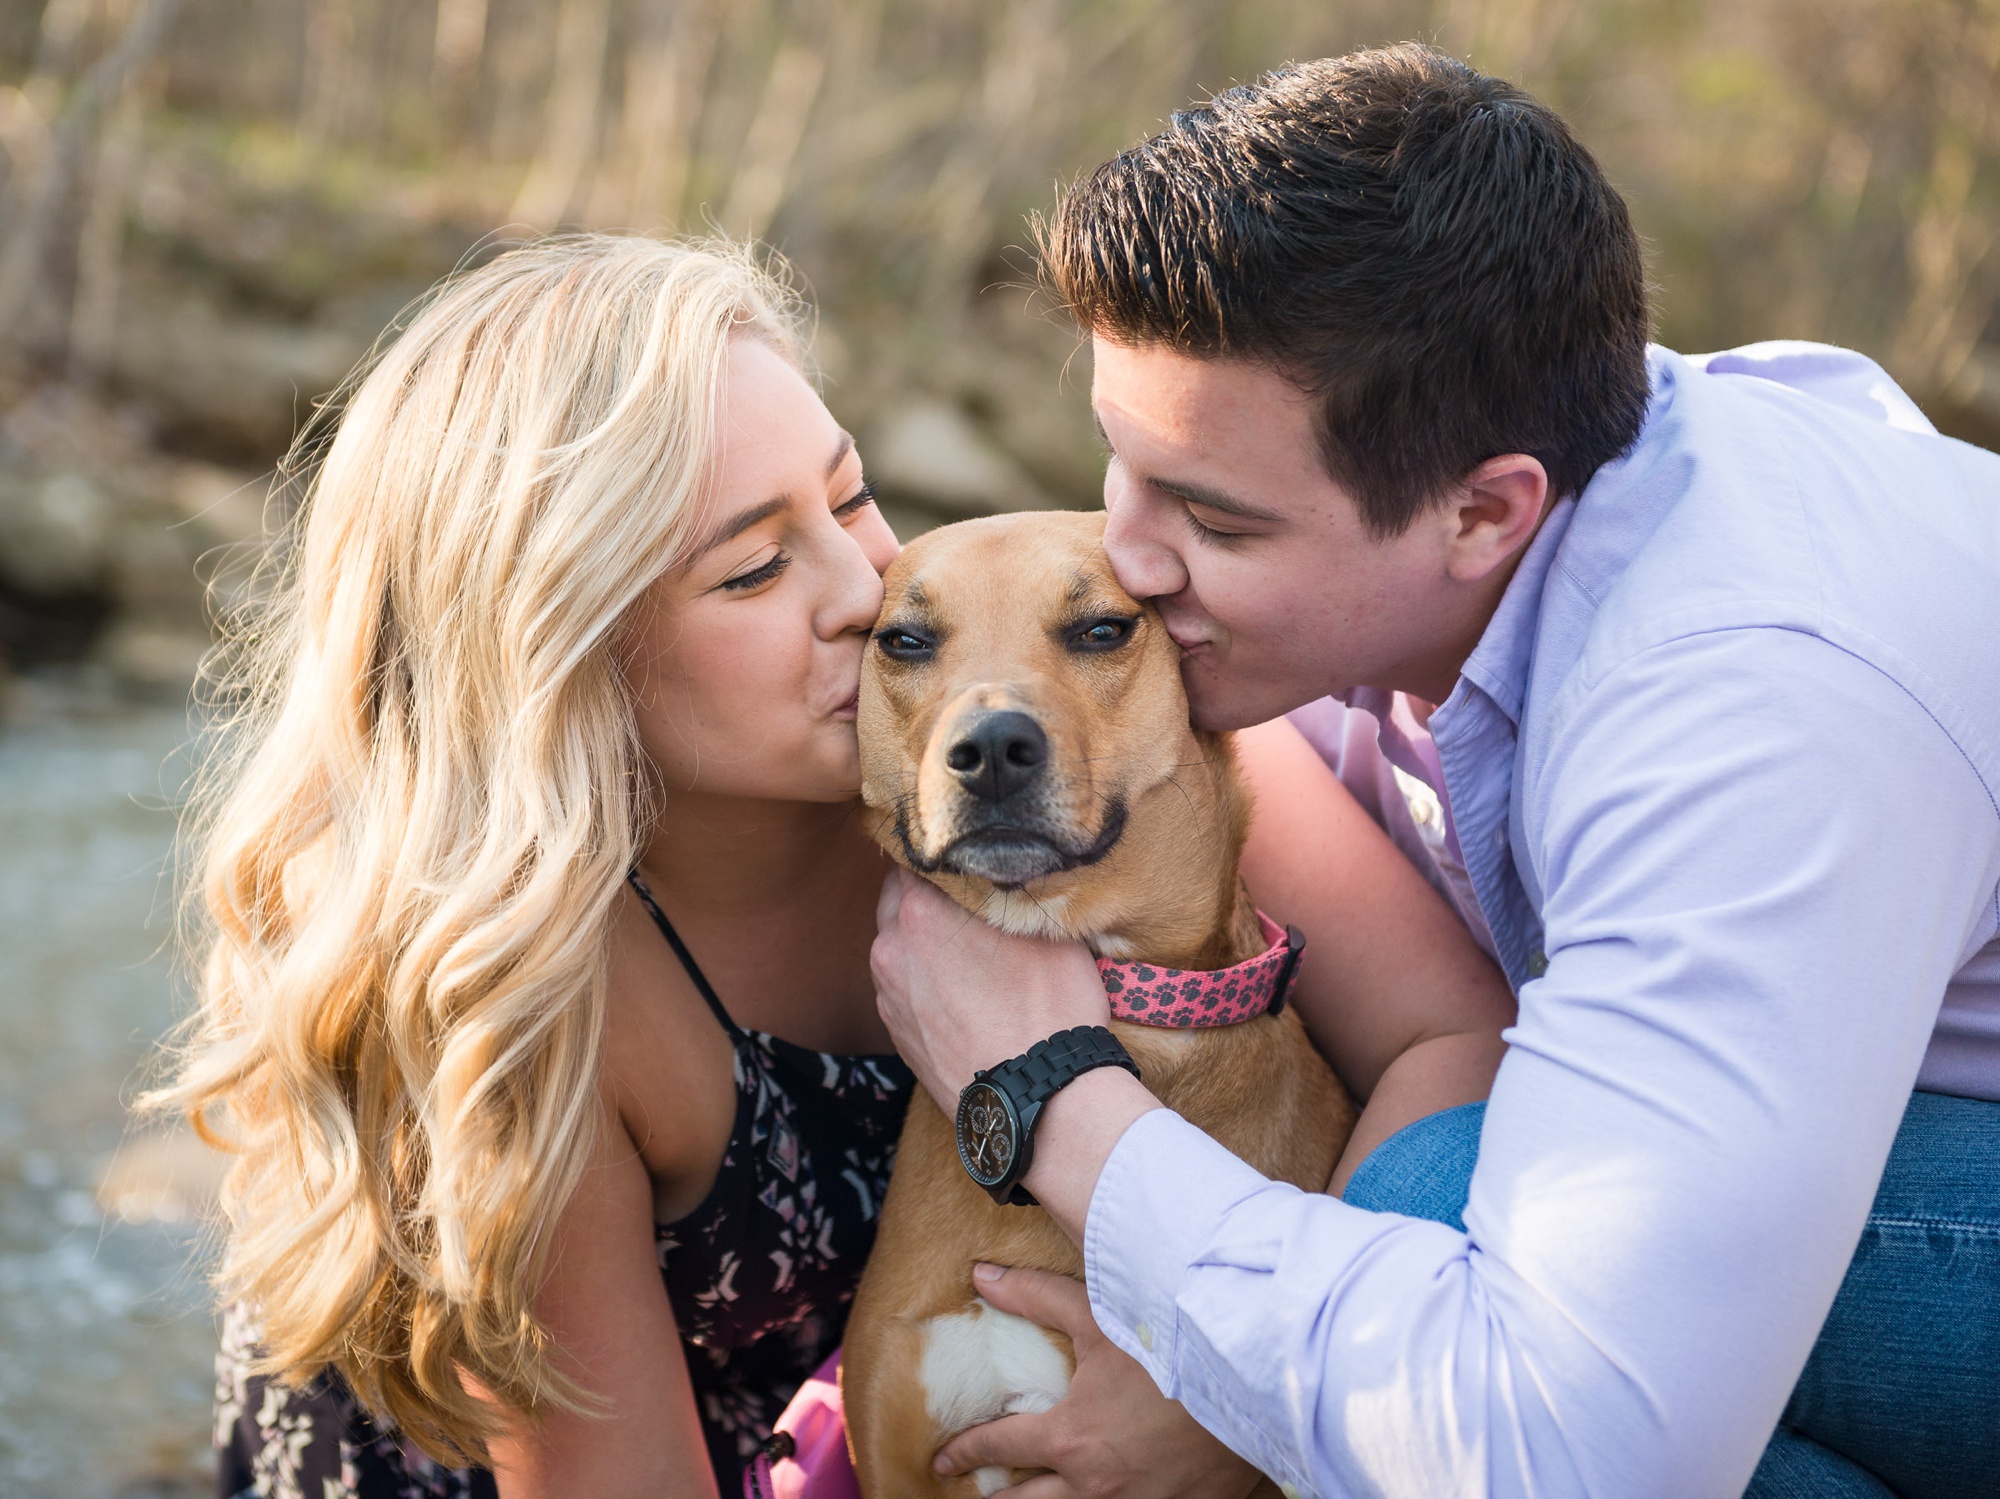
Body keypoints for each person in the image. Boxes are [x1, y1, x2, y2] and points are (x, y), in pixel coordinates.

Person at [155, 232, 1516, 1499]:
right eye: (756, 570)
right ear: (569, 673)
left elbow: (1454, 1030)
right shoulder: (524, 1008)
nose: (866, 595)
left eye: (852, 499)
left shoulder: (1101, 740)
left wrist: (1258, 1379)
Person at [872, 44, 2000, 1499]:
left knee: (1441, 1212)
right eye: (1120, 467)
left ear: (1482, 510)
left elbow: (1568, 1460)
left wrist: (1057, 1099)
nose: (1134, 562)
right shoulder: (1485, 543)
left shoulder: (1746, 700)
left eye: (1211, 515)